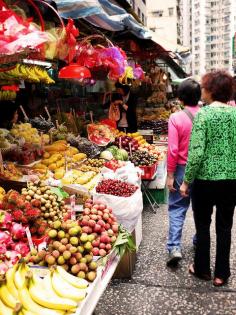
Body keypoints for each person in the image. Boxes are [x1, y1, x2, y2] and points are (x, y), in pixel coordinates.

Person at [180, 70, 236, 286]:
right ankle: (222, 274)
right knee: (225, 226)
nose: (202, 92)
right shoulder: (234, 114)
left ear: (212, 90)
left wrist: (186, 182)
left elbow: (196, 152)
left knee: (203, 225)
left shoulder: (204, 115)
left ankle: (202, 269)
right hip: (230, 181)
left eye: (204, 88)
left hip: (205, 181)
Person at [166, 78, 201, 266]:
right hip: (202, 171)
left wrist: (170, 175)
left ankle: (174, 248)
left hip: (181, 169)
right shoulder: (205, 115)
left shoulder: (175, 118)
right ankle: (198, 240)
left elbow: (172, 150)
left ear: (180, 98)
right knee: (200, 209)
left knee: (177, 208)